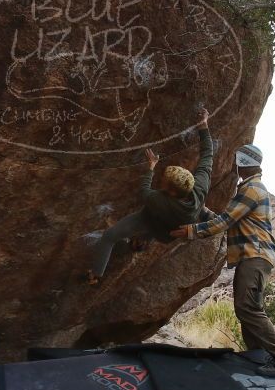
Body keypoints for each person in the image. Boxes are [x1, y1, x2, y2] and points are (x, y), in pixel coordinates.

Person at [171, 144, 275, 377]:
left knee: (247, 308)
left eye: (237, 162)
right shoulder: (250, 188)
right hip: (253, 256)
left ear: (243, 163)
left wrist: (190, 231)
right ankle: (257, 356)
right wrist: (200, 208)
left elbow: (223, 224)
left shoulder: (252, 189)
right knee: (248, 308)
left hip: (255, 255)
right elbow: (226, 219)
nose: (234, 166)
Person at [88, 107, 217, 284]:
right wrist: (203, 125)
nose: (161, 179)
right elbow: (208, 154)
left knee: (109, 236)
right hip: (168, 232)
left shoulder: (159, 200)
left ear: (171, 192)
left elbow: (144, 192)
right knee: (184, 216)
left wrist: (151, 167)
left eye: (164, 180)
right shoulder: (200, 187)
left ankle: (95, 275)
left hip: (151, 219)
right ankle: (141, 241)